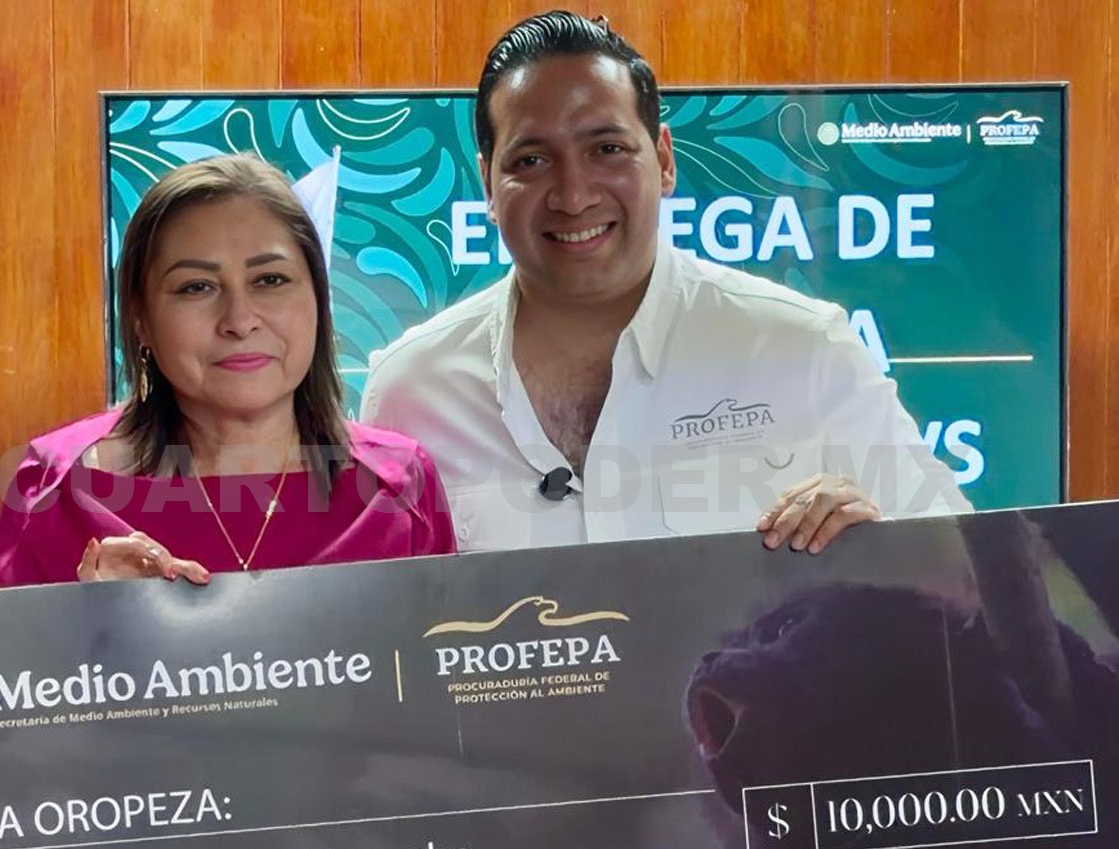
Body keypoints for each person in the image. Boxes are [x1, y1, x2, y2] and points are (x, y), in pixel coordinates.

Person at [361, 10, 970, 555]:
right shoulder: (410, 392)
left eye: (607, 149)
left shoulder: (803, 348)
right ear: (489, 186)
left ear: (664, 160)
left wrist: (884, 543)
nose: (574, 195)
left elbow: (969, 574)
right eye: (531, 161)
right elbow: (377, 621)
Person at [0, 154, 455, 587]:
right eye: (197, 287)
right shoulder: (54, 488)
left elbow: (447, 651)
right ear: (140, 317)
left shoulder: (399, 485)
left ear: (318, 300)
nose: (240, 320)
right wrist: (87, 620)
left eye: (270, 280)